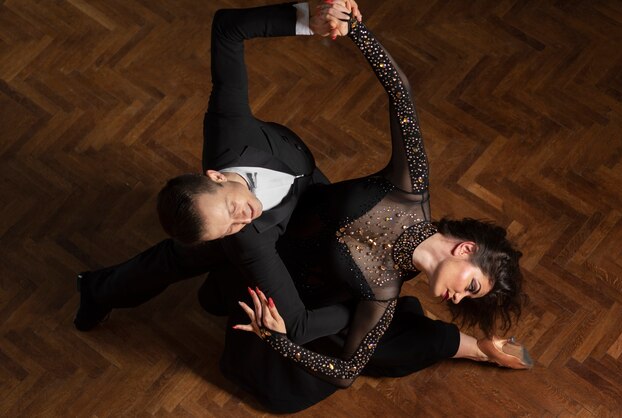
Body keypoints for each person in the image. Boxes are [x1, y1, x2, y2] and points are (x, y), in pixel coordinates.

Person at [231, 0, 533, 410]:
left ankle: (475, 348)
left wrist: (277, 340)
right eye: (472, 287)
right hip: (280, 206)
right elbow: (400, 93)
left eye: (469, 299)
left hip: (283, 282)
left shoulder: (382, 293)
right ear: (465, 249)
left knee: (287, 384)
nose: (460, 299)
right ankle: (472, 347)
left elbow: (345, 372)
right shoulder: (410, 189)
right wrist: (355, 27)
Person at [73, 1, 364, 352]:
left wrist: (310, 19)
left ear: (216, 176)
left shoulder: (230, 129)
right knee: (200, 253)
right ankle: (99, 290)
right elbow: (298, 326)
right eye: (229, 226)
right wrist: (368, 309)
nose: (245, 216)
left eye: (230, 210)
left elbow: (227, 28)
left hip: (309, 189)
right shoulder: (246, 241)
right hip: (274, 233)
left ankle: (97, 288)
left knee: (181, 257)